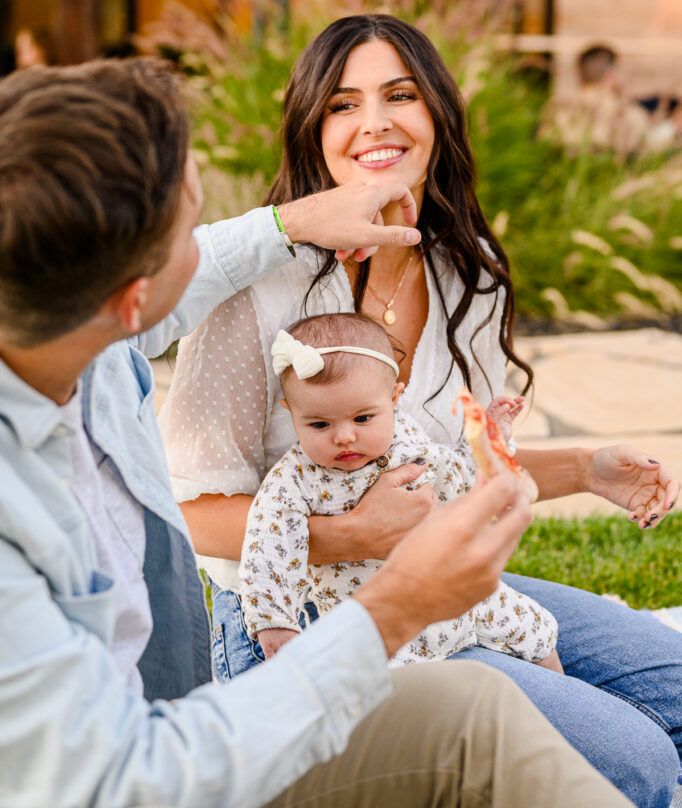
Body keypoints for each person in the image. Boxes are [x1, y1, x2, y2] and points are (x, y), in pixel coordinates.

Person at [0, 57, 632, 808]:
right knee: (630, 762)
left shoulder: (72, 330)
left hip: (187, 704)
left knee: (510, 712)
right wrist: (393, 603)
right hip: (175, 760)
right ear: (132, 298)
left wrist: (289, 221)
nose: (210, 250)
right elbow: (134, 780)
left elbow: (188, 281)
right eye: (192, 232)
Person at [161, 14, 682, 808]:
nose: (375, 122)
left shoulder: (465, 275)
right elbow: (190, 512)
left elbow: (452, 476)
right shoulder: (259, 289)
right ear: (313, 132)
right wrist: (350, 535)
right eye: (342, 104)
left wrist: (586, 468)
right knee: (631, 759)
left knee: (673, 685)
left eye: (399, 94)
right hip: (297, 617)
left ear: (436, 113)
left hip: (443, 581)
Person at [239, 312, 560, 671]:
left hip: (458, 590)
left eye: (363, 419)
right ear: (291, 413)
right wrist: (275, 621)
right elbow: (268, 545)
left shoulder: (407, 439)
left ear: (394, 398)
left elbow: (456, 473)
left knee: (534, 626)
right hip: (384, 622)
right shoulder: (296, 478)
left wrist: (492, 441)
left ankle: (560, 691)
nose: (344, 436)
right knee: (398, 691)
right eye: (319, 424)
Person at [540, 44, 651, 158]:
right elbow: (648, 156)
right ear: (612, 75)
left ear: (580, 73)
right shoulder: (631, 114)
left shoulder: (555, 109)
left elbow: (542, 148)